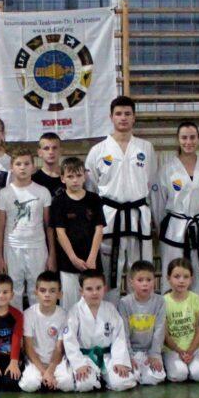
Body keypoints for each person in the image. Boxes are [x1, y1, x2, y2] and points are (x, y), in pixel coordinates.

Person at [85, 96, 156, 293]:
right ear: (111, 117)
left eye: (127, 114)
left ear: (134, 117)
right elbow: (91, 189)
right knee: (109, 275)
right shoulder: (98, 151)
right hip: (109, 217)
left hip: (138, 216)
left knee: (140, 272)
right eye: (118, 114)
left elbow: (150, 181)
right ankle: (110, 311)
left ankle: (139, 311)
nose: (123, 118)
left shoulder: (146, 148)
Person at [155, 121, 199, 301]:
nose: (188, 142)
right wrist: (160, 228)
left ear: (198, 139)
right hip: (174, 228)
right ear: (178, 139)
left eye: (192, 137)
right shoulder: (167, 169)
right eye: (184, 138)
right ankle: (171, 315)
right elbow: (159, 203)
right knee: (173, 273)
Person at [0, 146, 55, 308]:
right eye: (18, 164)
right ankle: (17, 324)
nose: (23, 168)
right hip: (12, 248)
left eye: (27, 164)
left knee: (38, 291)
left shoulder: (42, 192)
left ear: (33, 166)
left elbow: (48, 225)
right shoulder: (4, 193)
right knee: (14, 291)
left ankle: (37, 323)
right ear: (11, 167)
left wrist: (52, 254)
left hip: (37, 247)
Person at [64, 270, 136, 392]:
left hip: (108, 356)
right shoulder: (75, 311)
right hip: (85, 357)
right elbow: (69, 341)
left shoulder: (110, 309)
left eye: (98, 288)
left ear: (105, 289)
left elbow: (119, 337)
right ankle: (97, 378)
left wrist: (119, 361)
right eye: (89, 289)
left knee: (124, 382)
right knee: (85, 385)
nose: (94, 292)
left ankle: (104, 379)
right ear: (81, 291)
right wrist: (79, 364)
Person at [51, 156, 105, 311]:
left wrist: (92, 257)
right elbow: (60, 233)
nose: (75, 180)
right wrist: (73, 258)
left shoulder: (94, 199)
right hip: (68, 262)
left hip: (92, 261)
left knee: (93, 304)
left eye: (78, 175)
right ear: (62, 178)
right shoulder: (59, 201)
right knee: (69, 306)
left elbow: (99, 229)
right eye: (70, 176)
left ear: (85, 176)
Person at [18, 272, 73, 392]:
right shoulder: (28, 314)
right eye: (43, 291)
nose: (47, 295)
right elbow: (29, 348)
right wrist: (44, 372)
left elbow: (59, 348)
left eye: (52, 291)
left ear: (60, 294)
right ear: (36, 293)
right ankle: (46, 380)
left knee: (67, 384)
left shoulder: (65, 316)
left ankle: (47, 381)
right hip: (35, 361)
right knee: (29, 384)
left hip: (56, 362)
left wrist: (50, 370)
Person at [117, 261, 167, 386]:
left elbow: (160, 330)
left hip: (150, 351)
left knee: (157, 377)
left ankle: (143, 373)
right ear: (131, 282)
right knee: (126, 379)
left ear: (154, 281)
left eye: (149, 280)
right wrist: (128, 355)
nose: (145, 284)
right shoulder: (124, 303)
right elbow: (123, 333)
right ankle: (138, 373)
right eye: (140, 280)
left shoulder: (160, 301)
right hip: (132, 351)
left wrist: (154, 354)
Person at [162, 258, 199, 382]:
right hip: (172, 349)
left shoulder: (196, 300)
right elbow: (165, 335)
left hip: (194, 348)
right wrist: (179, 351)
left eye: (186, 277)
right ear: (168, 278)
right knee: (179, 375)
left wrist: (190, 351)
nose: (181, 281)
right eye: (176, 276)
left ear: (191, 278)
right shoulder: (163, 302)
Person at [31, 132, 64, 198]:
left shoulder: (70, 177)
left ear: (60, 151)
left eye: (54, 148)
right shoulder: (33, 180)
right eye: (46, 148)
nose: (51, 152)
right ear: (39, 152)